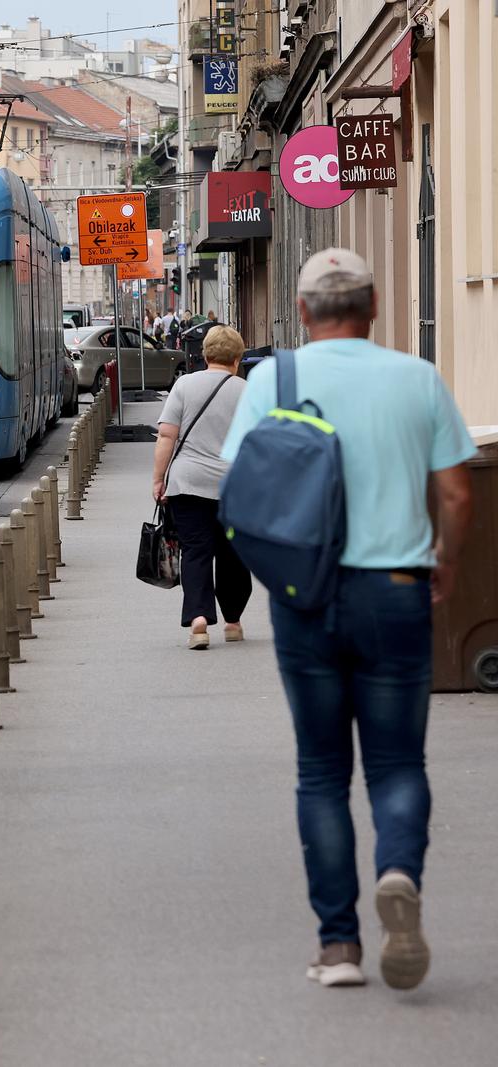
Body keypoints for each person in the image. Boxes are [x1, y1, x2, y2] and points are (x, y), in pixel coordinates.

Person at [222, 248, 475, 991]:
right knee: (398, 763)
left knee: (322, 771)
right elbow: (459, 495)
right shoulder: (416, 377)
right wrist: (446, 561)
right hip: (397, 588)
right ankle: (398, 869)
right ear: (372, 307)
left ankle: (339, 947)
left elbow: (241, 492)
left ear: (303, 312)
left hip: (308, 599)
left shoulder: (273, 378)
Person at [152, 325, 251, 649]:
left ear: (205, 355)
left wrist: (159, 478)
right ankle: (233, 621)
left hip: (189, 483)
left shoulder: (184, 385)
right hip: (235, 487)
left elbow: (167, 435)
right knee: (233, 554)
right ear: (237, 358)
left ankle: (198, 620)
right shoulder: (246, 391)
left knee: (195, 551)